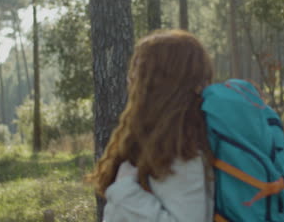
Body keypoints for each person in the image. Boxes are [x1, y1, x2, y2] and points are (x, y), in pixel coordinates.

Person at [87, 30, 215, 222]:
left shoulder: (183, 152)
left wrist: (125, 191)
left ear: (165, 82)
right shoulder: (160, 141)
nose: (130, 79)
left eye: (141, 70)